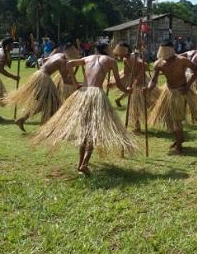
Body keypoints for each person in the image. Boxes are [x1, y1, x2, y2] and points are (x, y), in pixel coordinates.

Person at [32, 42, 138, 175]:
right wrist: (127, 90)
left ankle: (80, 164)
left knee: (84, 129)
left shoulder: (87, 58)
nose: (112, 51)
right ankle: (84, 164)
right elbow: (118, 83)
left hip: (83, 94)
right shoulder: (110, 61)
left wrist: (76, 83)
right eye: (110, 49)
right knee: (93, 131)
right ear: (106, 50)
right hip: (96, 95)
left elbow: (69, 64)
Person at [146, 40, 197, 153]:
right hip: (168, 91)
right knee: (170, 119)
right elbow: (154, 80)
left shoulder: (181, 60)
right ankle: (179, 138)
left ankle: (179, 147)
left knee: (176, 120)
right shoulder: (159, 63)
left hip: (180, 91)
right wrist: (148, 88)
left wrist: (188, 86)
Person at [6, 43, 80, 132]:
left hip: (38, 75)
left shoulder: (58, 55)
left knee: (45, 103)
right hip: (43, 79)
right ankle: (46, 128)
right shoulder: (63, 61)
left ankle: (22, 119)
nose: (77, 54)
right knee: (54, 103)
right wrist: (81, 84)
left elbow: (45, 60)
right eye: (75, 52)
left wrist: (46, 68)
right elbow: (66, 81)